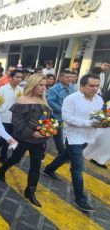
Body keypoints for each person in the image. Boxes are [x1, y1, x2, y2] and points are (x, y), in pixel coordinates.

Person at [43, 74, 103, 212]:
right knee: (77, 166)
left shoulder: (99, 100)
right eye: (91, 86)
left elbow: (99, 116)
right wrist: (89, 123)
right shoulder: (71, 99)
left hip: (89, 137)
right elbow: (67, 117)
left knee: (66, 156)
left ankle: (49, 169)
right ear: (82, 86)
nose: (95, 88)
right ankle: (80, 198)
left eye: (97, 86)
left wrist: (102, 122)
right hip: (74, 137)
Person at [0, 74, 52, 207]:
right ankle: (2, 169)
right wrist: (32, 133)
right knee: (15, 159)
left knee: (35, 166)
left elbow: (47, 120)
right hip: (22, 139)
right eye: (41, 85)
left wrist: (47, 131)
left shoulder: (44, 101)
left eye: (45, 85)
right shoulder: (22, 100)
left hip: (39, 142)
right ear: (33, 85)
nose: (44, 88)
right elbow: (17, 122)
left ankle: (30, 191)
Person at [0, 69, 24, 162]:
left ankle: (2, 155)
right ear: (11, 78)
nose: (19, 79)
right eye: (17, 77)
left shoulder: (20, 90)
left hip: (15, 118)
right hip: (4, 116)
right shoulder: (3, 88)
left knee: (9, 137)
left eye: (20, 77)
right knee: (3, 137)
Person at [46, 71, 75, 158]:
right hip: (56, 116)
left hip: (68, 117)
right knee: (52, 134)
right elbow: (51, 101)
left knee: (60, 135)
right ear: (60, 78)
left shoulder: (71, 87)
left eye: (70, 77)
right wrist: (63, 110)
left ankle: (62, 152)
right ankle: (60, 152)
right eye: (67, 77)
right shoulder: (54, 89)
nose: (69, 79)